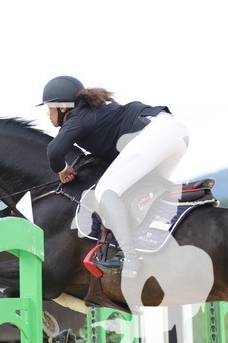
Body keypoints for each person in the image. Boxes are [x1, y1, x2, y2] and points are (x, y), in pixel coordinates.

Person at [41, 75, 189, 278]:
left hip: (155, 134)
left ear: (63, 107)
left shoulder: (79, 118)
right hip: (176, 132)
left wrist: (62, 168)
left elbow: (54, 151)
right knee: (138, 192)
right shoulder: (93, 112)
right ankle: (150, 245)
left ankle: (130, 257)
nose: (48, 115)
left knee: (106, 191)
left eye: (50, 108)